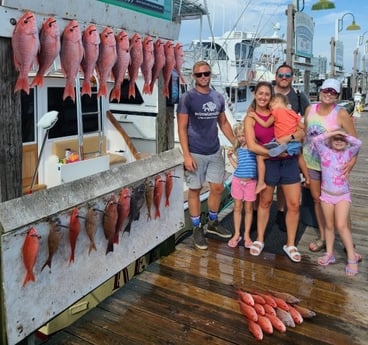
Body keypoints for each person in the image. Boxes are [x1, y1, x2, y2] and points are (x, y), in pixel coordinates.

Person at [177, 60, 235, 250]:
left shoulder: (218, 97)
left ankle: (212, 222)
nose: (203, 77)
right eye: (199, 74)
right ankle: (196, 229)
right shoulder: (187, 98)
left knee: (217, 188)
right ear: (194, 77)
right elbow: (182, 127)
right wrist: (186, 155)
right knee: (195, 189)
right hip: (195, 152)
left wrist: (236, 142)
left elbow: (223, 122)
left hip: (214, 150)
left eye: (206, 73)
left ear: (211, 75)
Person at [244, 81, 305, 262]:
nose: (263, 97)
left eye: (267, 94)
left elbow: (302, 131)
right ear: (255, 94)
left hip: (288, 163)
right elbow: (252, 145)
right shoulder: (251, 117)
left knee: (294, 204)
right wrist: (273, 152)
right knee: (265, 202)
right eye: (260, 93)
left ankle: (291, 243)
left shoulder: (280, 111)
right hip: (270, 162)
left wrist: (290, 138)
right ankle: (260, 239)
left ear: (271, 97)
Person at [303, 78, 358, 253]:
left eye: (333, 92)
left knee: (341, 200)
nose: (329, 94)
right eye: (326, 90)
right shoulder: (310, 109)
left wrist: (351, 163)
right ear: (320, 91)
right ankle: (324, 237)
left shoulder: (341, 113)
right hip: (312, 163)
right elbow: (306, 135)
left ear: (337, 95)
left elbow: (354, 141)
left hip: (334, 167)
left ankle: (346, 239)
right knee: (317, 200)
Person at [312, 130, 361, 277]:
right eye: (336, 139)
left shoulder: (348, 153)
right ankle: (329, 253)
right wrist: (333, 132)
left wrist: (343, 134)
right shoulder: (324, 151)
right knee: (329, 225)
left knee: (341, 225)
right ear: (330, 141)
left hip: (342, 196)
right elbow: (315, 141)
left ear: (346, 142)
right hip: (326, 195)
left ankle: (352, 257)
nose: (339, 141)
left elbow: (359, 143)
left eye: (342, 140)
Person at [273, 63, 310, 232]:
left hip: (291, 148)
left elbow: (307, 123)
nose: (284, 78)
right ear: (276, 77)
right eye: (281, 75)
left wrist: (292, 137)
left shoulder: (298, 96)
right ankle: (259, 217)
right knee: (267, 186)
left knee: (286, 184)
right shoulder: (268, 94)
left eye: (288, 75)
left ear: (292, 78)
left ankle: (283, 212)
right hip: (270, 146)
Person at [248, 93, 309, 194]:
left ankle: (261, 183)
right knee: (298, 155)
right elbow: (303, 127)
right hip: (293, 144)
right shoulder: (293, 113)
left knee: (260, 157)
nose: (271, 109)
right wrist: (293, 133)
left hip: (281, 143)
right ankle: (307, 178)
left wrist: (254, 115)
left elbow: (265, 124)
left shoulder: (276, 112)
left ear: (277, 102)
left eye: (271, 106)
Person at [226, 122, 257, 249]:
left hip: (251, 182)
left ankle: (247, 235)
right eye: (239, 136)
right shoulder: (239, 150)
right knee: (237, 208)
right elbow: (237, 167)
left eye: (243, 135)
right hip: (237, 181)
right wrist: (230, 158)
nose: (241, 138)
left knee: (249, 209)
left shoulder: (254, 148)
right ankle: (237, 233)